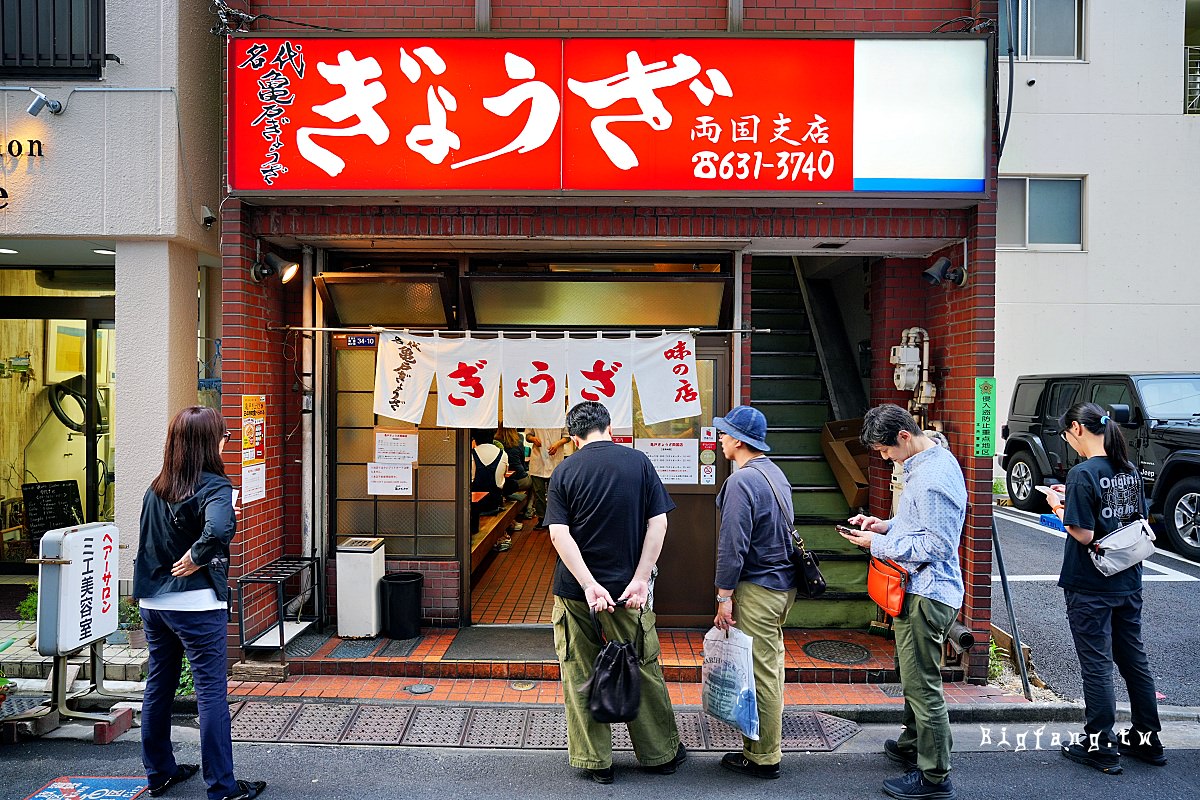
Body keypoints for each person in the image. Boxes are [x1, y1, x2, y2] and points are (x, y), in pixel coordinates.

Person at [545, 400, 685, 784]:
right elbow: (658, 524)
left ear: (574, 438)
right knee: (642, 667)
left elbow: (559, 535)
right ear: (610, 427)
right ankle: (660, 755)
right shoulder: (638, 463)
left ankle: (596, 763)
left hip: (576, 594)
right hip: (628, 593)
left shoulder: (565, 471)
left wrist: (590, 585)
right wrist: (641, 578)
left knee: (580, 671)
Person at [133, 406, 266, 800]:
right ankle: (222, 787)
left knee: (159, 684)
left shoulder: (156, 487)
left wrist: (200, 541)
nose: (227, 444)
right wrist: (198, 555)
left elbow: (160, 538)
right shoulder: (215, 486)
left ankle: (159, 772)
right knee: (210, 692)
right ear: (211, 443)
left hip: (154, 603)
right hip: (196, 605)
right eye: (225, 438)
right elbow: (218, 529)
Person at [839, 404, 965, 800]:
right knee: (912, 674)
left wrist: (878, 543)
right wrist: (883, 524)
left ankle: (934, 775)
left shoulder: (931, 478)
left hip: (927, 593)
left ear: (904, 437)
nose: (884, 456)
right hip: (920, 589)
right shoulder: (933, 461)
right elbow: (918, 524)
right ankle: (913, 745)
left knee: (922, 684)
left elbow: (937, 544)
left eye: (884, 450)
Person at [1043, 401, 1164, 773]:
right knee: (1133, 659)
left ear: (1077, 429)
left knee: (1096, 664)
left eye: (1067, 435)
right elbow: (1132, 518)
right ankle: (1147, 739)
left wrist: (1058, 506)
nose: (1070, 443)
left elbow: (1084, 533)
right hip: (1128, 578)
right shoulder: (1127, 468)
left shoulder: (1083, 472)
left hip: (1090, 582)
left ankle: (1100, 745)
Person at [711, 405, 797, 779]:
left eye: (725, 433)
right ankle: (760, 746)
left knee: (760, 672)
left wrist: (723, 596)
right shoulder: (774, 474)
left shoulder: (741, 482)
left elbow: (732, 544)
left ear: (739, 440)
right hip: (782, 587)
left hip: (758, 588)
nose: (721, 438)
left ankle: (764, 757)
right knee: (770, 666)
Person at [470, 428, 510, 547]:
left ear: (474, 438)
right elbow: (502, 480)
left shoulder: (471, 454)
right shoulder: (503, 454)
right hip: (494, 502)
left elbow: (470, 479)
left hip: (476, 507)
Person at [527, 426, 570, 530]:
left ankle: (556, 520)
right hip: (538, 460)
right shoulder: (534, 415)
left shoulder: (559, 416)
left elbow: (567, 436)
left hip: (555, 460)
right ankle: (541, 519)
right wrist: (533, 439)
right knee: (538, 493)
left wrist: (557, 444)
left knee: (556, 493)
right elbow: (528, 435)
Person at [496, 424, 533, 520]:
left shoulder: (497, 443)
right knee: (535, 480)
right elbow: (522, 461)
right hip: (520, 479)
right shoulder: (518, 441)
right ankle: (529, 509)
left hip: (503, 481)